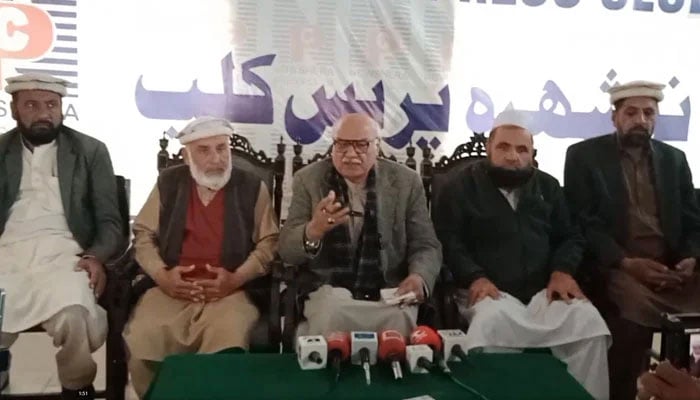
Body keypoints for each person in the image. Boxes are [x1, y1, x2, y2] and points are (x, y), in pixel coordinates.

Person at [436, 109, 611, 400]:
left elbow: (571, 236)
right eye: (503, 147)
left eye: (521, 149)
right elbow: (448, 241)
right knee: (489, 326)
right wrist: (474, 276)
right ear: (489, 148)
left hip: (543, 291)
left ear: (532, 153)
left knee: (587, 323)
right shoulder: (459, 187)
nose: (512, 157)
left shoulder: (548, 187)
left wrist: (563, 271)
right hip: (488, 292)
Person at [122, 116, 279, 398]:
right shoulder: (169, 183)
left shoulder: (252, 186)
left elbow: (269, 242)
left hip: (230, 291)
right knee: (143, 339)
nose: (216, 158)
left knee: (226, 343)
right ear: (186, 155)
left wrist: (237, 278)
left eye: (222, 148)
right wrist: (162, 276)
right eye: (204, 150)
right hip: (172, 288)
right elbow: (144, 235)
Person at [564, 81, 700, 400]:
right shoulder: (584, 156)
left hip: (672, 270)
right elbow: (583, 223)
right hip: (619, 268)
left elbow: (693, 220)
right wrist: (627, 263)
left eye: (648, 113)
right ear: (615, 117)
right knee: (631, 320)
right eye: (632, 112)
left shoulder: (675, 159)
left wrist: (691, 258)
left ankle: (682, 386)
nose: (640, 120)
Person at [0, 73, 123, 399]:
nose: (44, 113)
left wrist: (96, 256)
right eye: (32, 105)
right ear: (14, 110)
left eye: (52, 105)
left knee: (73, 313)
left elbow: (110, 221)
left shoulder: (90, 151)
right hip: (7, 253)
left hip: (65, 254)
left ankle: (77, 386)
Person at [279, 113, 441, 337]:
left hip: (388, 290)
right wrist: (313, 231)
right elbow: (286, 251)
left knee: (398, 316)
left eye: (361, 145)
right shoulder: (308, 180)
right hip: (328, 288)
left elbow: (426, 244)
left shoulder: (406, 182)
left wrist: (419, 277)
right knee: (332, 311)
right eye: (342, 145)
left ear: (377, 147)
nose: (350, 154)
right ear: (333, 146)